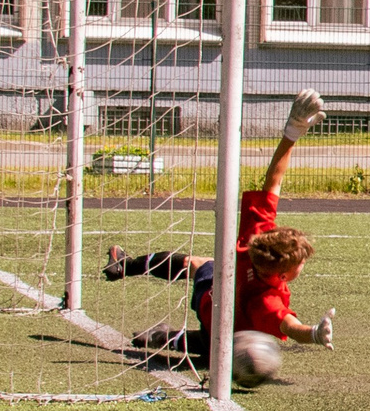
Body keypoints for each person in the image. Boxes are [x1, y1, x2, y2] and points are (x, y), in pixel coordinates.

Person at [108, 90, 335, 367]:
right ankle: (165, 337)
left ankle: (127, 267)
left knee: (199, 265)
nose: (303, 266)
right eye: (301, 263)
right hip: (221, 318)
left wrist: (292, 131)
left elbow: (273, 180)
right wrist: (313, 333)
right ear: (284, 273)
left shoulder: (256, 237)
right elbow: (289, 326)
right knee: (221, 343)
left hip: (215, 301)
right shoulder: (266, 300)